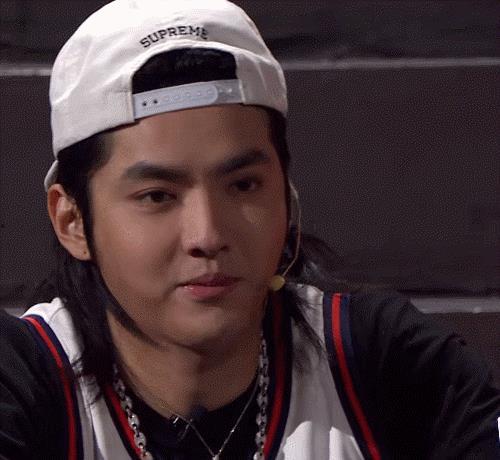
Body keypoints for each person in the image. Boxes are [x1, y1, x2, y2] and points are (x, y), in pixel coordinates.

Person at [0, 1, 499, 459]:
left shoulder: (376, 362)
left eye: (242, 185)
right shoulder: (26, 381)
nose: (207, 235)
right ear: (72, 221)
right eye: (158, 196)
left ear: (287, 194)